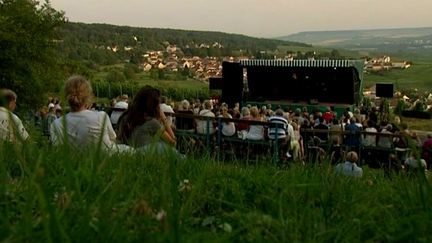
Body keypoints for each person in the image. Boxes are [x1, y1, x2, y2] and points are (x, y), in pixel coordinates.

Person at [50, 75, 117, 151]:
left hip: (72, 161)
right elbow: (113, 138)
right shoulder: (101, 117)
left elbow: (58, 150)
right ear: (88, 96)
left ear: (66, 96)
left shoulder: (56, 124)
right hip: (105, 158)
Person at [117, 86, 177, 152]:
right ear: (154, 106)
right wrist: (163, 118)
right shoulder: (152, 123)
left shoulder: (125, 118)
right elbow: (173, 143)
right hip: (145, 156)